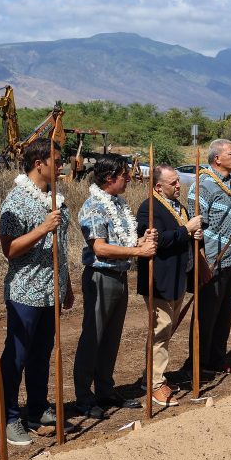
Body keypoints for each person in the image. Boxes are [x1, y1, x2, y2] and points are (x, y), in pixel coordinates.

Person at [0, 139, 74, 446]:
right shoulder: (16, 201)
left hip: (51, 289)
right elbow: (9, 249)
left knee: (42, 354)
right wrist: (42, 229)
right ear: (39, 163)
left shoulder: (56, 198)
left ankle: (38, 407)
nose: (61, 166)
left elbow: (63, 247)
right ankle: (8, 417)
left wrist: (67, 284)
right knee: (17, 356)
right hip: (25, 290)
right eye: (56, 161)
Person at [72, 155, 157, 418]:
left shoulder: (118, 204)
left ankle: (105, 390)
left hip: (119, 276)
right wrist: (137, 251)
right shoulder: (95, 206)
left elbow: (122, 238)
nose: (129, 178)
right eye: (124, 174)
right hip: (101, 277)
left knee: (111, 338)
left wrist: (141, 240)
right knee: (93, 337)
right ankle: (84, 397)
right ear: (109, 178)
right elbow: (100, 247)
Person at [136, 165, 203, 407]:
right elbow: (157, 240)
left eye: (178, 182)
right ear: (158, 187)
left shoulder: (180, 207)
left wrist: (194, 234)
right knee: (160, 330)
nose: (178, 186)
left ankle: (151, 376)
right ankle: (155, 384)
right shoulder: (149, 207)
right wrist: (186, 230)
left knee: (165, 330)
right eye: (173, 182)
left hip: (178, 277)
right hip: (160, 279)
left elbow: (183, 235)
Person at [187, 139, 231, 375]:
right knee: (206, 314)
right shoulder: (202, 186)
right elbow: (195, 229)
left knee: (224, 314)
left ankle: (217, 358)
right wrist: (202, 262)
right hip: (211, 260)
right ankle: (198, 364)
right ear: (216, 159)